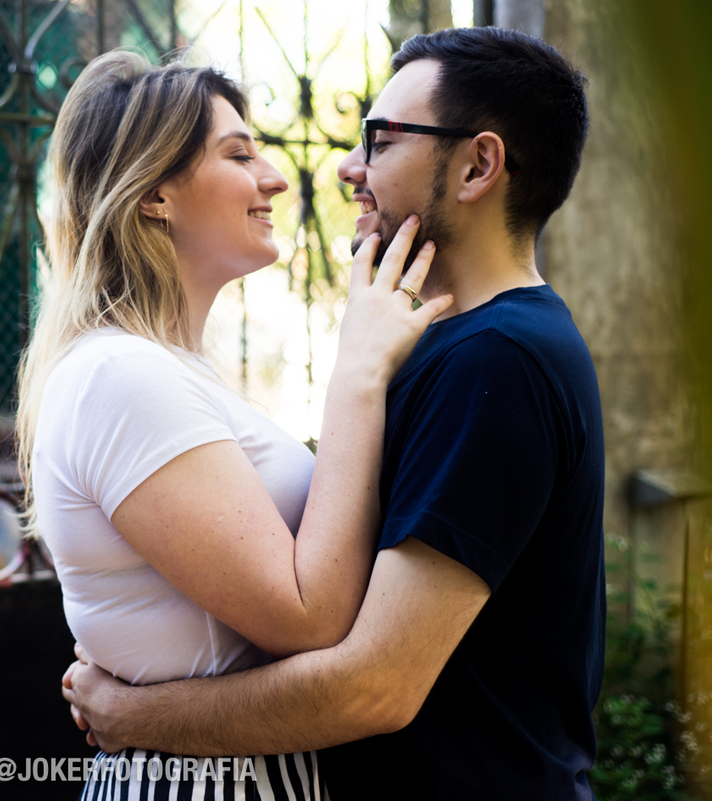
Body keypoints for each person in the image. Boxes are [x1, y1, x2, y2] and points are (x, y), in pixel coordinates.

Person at [63, 26, 604, 801]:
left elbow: (373, 685)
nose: (347, 167)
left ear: (478, 166)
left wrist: (133, 714)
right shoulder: (438, 349)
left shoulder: (499, 360)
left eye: (380, 141)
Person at [17, 51, 452, 799]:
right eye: (239, 155)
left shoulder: (166, 372)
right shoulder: (120, 376)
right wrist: (357, 371)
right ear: (155, 195)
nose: (275, 179)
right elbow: (308, 618)